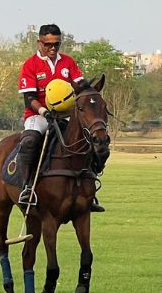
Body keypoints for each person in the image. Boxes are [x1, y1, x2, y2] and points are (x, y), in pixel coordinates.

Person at [15, 24, 103, 212]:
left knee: (90, 141)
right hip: (39, 115)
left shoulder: (68, 62)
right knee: (29, 142)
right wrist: (44, 112)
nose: (53, 48)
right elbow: (29, 98)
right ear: (40, 42)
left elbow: (81, 85)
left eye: (57, 44)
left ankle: (90, 190)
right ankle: (27, 187)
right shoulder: (30, 65)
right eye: (48, 44)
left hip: (67, 115)